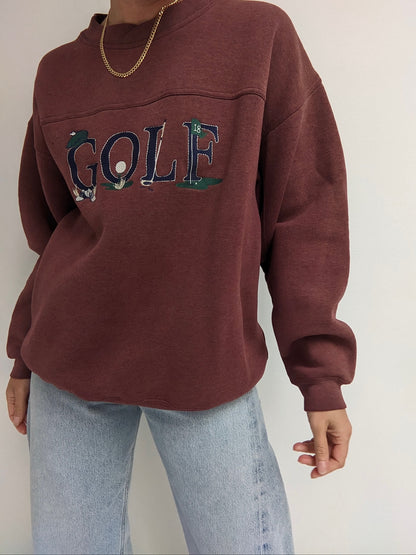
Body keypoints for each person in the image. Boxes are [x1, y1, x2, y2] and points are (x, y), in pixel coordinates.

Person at [5, 0, 357, 553]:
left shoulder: (255, 35)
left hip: (204, 371)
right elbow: (53, 236)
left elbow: (306, 213)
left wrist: (320, 376)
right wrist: (25, 353)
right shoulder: (58, 72)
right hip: (68, 373)